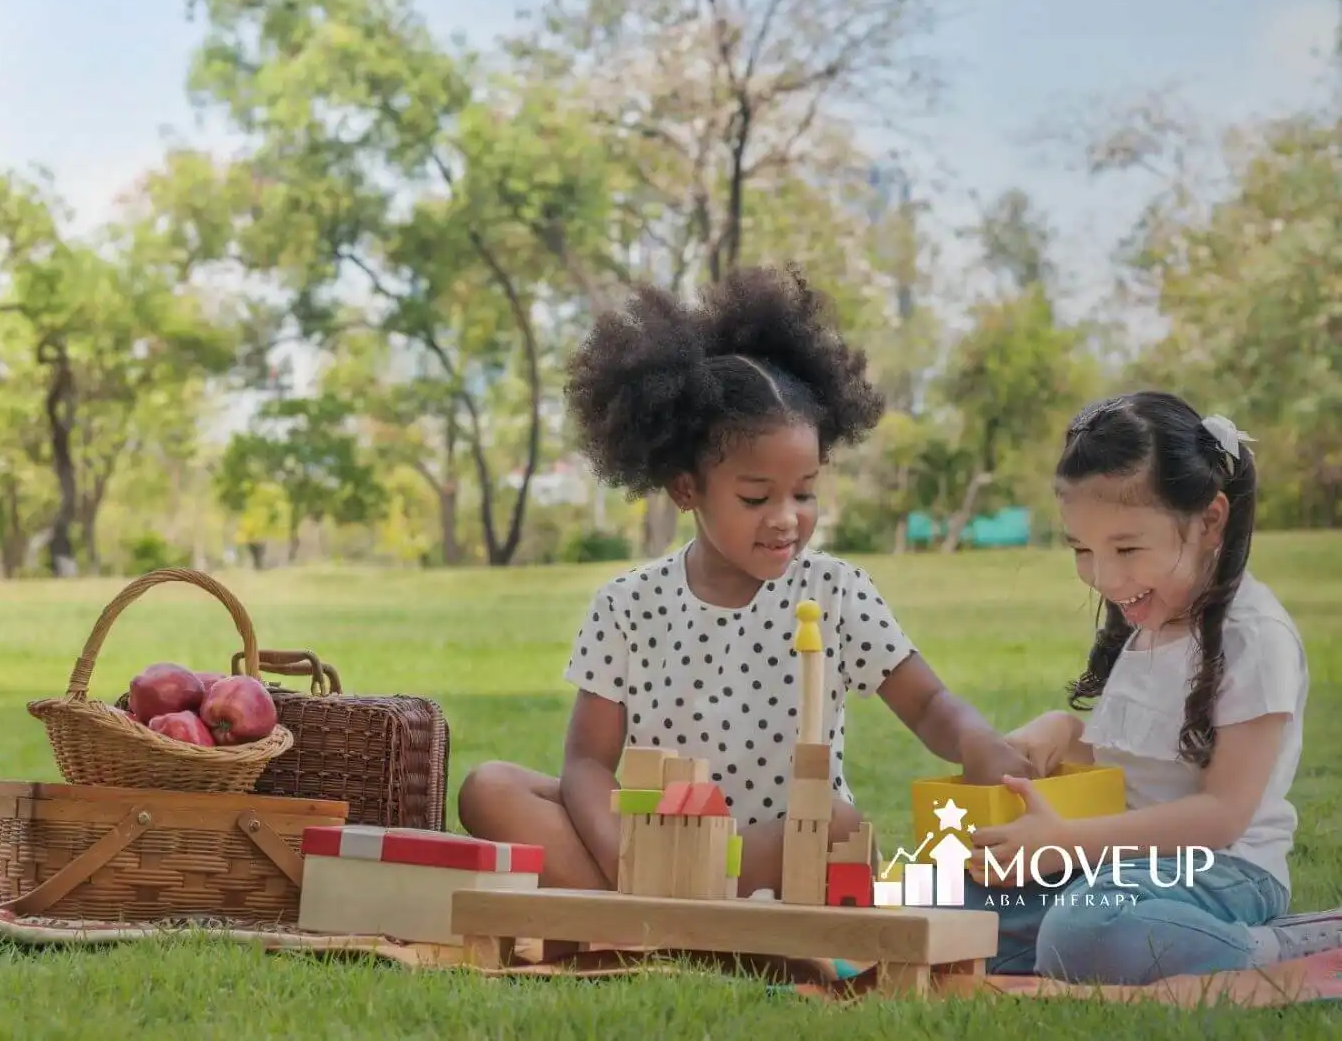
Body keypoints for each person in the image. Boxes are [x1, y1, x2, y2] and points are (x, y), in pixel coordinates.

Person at [458, 265, 1036, 898]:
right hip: (652, 839)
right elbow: (589, 763)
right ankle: (659, 907)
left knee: (839, 829)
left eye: (806, 492)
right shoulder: (626, 606)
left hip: (771, 847)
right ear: (687, 489)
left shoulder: (833, 591)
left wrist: (977, 741)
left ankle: (650, 914)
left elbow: (926, 703)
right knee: (490, 789)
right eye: (757, 497)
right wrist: (625, 855)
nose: (787, 518)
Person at [963, 391, 1340, 984]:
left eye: (1127, 548)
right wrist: (1062, 731)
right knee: (952, 901)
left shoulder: (1253, 637)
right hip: (1120, 865)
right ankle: (1098, 940)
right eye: (1084, 550)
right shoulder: (1151, 619)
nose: (1105, 578)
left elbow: (1221, 816)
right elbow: (1148, 754)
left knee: (1084, 932)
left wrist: (1067, 843)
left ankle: (1275, 946)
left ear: (1210, 520)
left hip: (1224, 870)